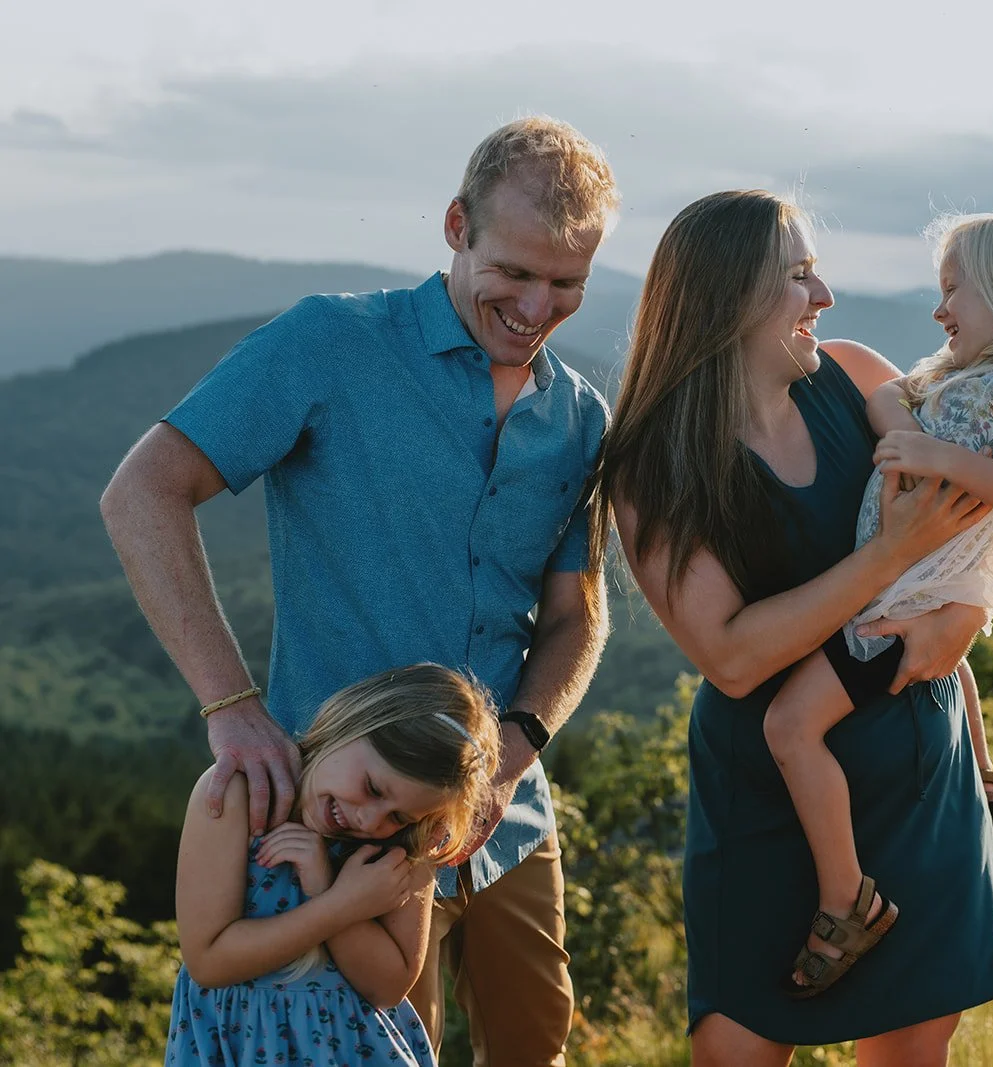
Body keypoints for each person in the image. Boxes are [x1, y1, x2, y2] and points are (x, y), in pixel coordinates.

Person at [101, 116, 619, 1066]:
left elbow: (578, 617)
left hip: (505, 813)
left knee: (535, 1042)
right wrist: (231, 706)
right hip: (342, 817)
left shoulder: (581, 415)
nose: (538, 305)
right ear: (457, 225)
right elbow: (141, 492)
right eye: (516, 271)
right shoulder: (329, 343)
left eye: (567, 284)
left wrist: (510, 755)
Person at [599, 189, 993, 1067]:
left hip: (917, 773)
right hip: (765, 801)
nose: (822, 296)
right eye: (798, 275)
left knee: (911, 1048)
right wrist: (889, 554)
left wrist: (966, 618)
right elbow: (733, 656)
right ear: (727, 298)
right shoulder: (656, 462)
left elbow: (984, 514)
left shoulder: (860, 379)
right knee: (737, 1049)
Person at [760, 205, 993, 996]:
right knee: (952, 664)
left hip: (903, 600)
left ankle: (845, 898)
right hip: (909, 587)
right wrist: (898, 426)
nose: (941, 308)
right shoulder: (957, 378)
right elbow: (894, 412)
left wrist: (934, 453)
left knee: (790, 725)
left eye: (957, 292)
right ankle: (983, 775)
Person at [165, 664, 499, 1066]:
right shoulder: (237, 794)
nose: (370, 821)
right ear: (352, 722)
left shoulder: (402, 852)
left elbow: (386, 988)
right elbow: (209, 961)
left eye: (398, 817)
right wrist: (338, 906)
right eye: (373, 788)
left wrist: (328, 888)